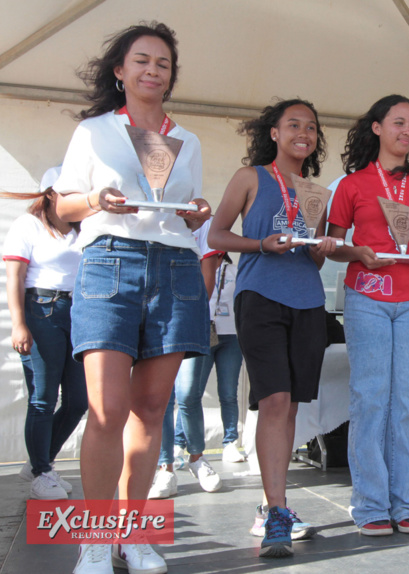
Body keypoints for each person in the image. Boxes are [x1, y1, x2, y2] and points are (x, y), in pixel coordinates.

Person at [53, 22, 211, 574]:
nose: (152, 70)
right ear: (120, 71)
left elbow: (185, 211)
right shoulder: (94, 132)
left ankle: (133, 533)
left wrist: (198, 212)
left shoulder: (188, 140)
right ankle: (95, 539)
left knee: (150, 410)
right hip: (109, 261)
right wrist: (96, 199)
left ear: (171, 76)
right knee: (106, 408)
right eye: (141, 60)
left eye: (163, 63)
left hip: (176, 267)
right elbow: (62, 207)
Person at [209, 98, 337, 558]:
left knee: (291, 406)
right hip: (259, 297)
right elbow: (216, 235)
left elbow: (313, 259)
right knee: (274, 401)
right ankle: (278, 511)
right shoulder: (250, 177)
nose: (304, 133)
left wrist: (321, 248)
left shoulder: (316, 192)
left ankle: (271, 505)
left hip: (308, 301)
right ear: (275, 133)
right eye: (294, 124)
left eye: (312, 127)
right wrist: (261, 243)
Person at [327, 94, 409, 536]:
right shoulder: (352, 185)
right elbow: (334, 245)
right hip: (367, 296)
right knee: (371, 398)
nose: (407, 131)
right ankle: (371, 503)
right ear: (377, 128)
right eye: (399, 122)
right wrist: (358, 252)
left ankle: (408, 501)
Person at [2, 167, 88, 501]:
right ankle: (41, 472)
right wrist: (19, 323)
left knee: (78, 400)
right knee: (43, 397)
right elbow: (14, 276)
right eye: (68, 192)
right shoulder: (29, 224)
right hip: (41, 309)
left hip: (77, 311)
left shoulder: (83, 228)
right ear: (51, 194)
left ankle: (41, 462)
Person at [148, 218, 226, 500]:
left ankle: (196, 458)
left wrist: (194, 314)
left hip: (190, 316)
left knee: (188, 393)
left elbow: (209, 274)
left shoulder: (203, 221)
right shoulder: (152, 217)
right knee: (161, 397)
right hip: (154, 316)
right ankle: (165, 467)